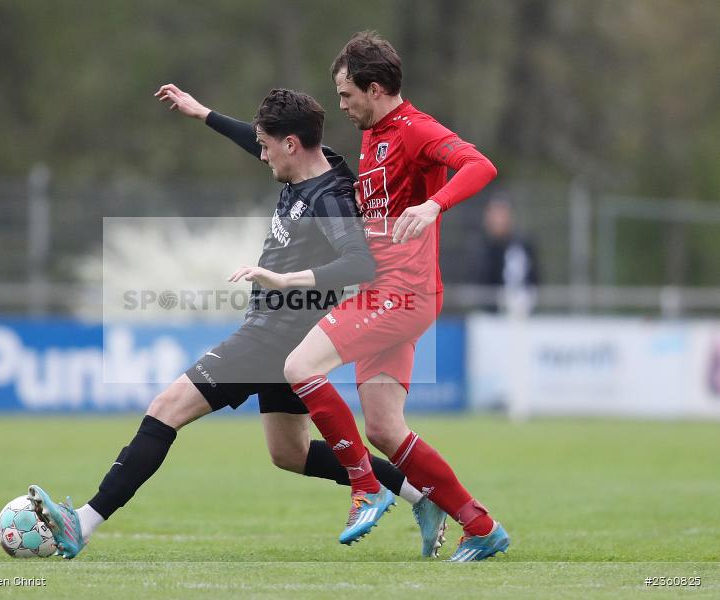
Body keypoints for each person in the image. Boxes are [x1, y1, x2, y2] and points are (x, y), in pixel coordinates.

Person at [29, 85, 444, 559]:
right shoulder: (313, 158)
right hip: (288, 342)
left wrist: (285, 279)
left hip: (273, 336)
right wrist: (203, 113)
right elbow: (260, 139)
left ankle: (82, 523)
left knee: (166, 406)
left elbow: (359, 264)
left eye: (268, 146)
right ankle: (421, 496)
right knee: (289, 453)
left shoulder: (329, 199)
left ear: (292, 144)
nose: (261, 154)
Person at [283, 31, 511, 561]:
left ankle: (366, 486)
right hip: (387, 292)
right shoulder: (376, 132)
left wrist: (435, 207)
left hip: (401, 294)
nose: (341, 106)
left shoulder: (415, 129)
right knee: (385, 428)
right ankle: (480, 525)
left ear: (376, 88)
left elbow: (480, 165)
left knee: (299, 367)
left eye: (346, 95)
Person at [476, 195, 539, 314]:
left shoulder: (523, 244)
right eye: (495, 213)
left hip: (522, 310)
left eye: (503, 213)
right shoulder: (481, 247)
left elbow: (535, 277)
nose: (499, 219)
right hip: (490, 313)